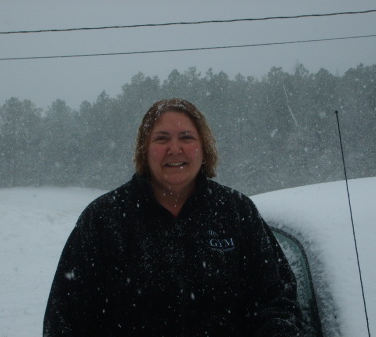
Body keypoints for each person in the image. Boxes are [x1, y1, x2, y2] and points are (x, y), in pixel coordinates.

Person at [43, 98, 302, 336]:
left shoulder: (236, 212)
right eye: (162, 139)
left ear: (204, 147)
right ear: (144, 149)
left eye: (186, 137)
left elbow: (278, 302)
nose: (174, 149)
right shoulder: (102, 219)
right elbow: (64, 319)